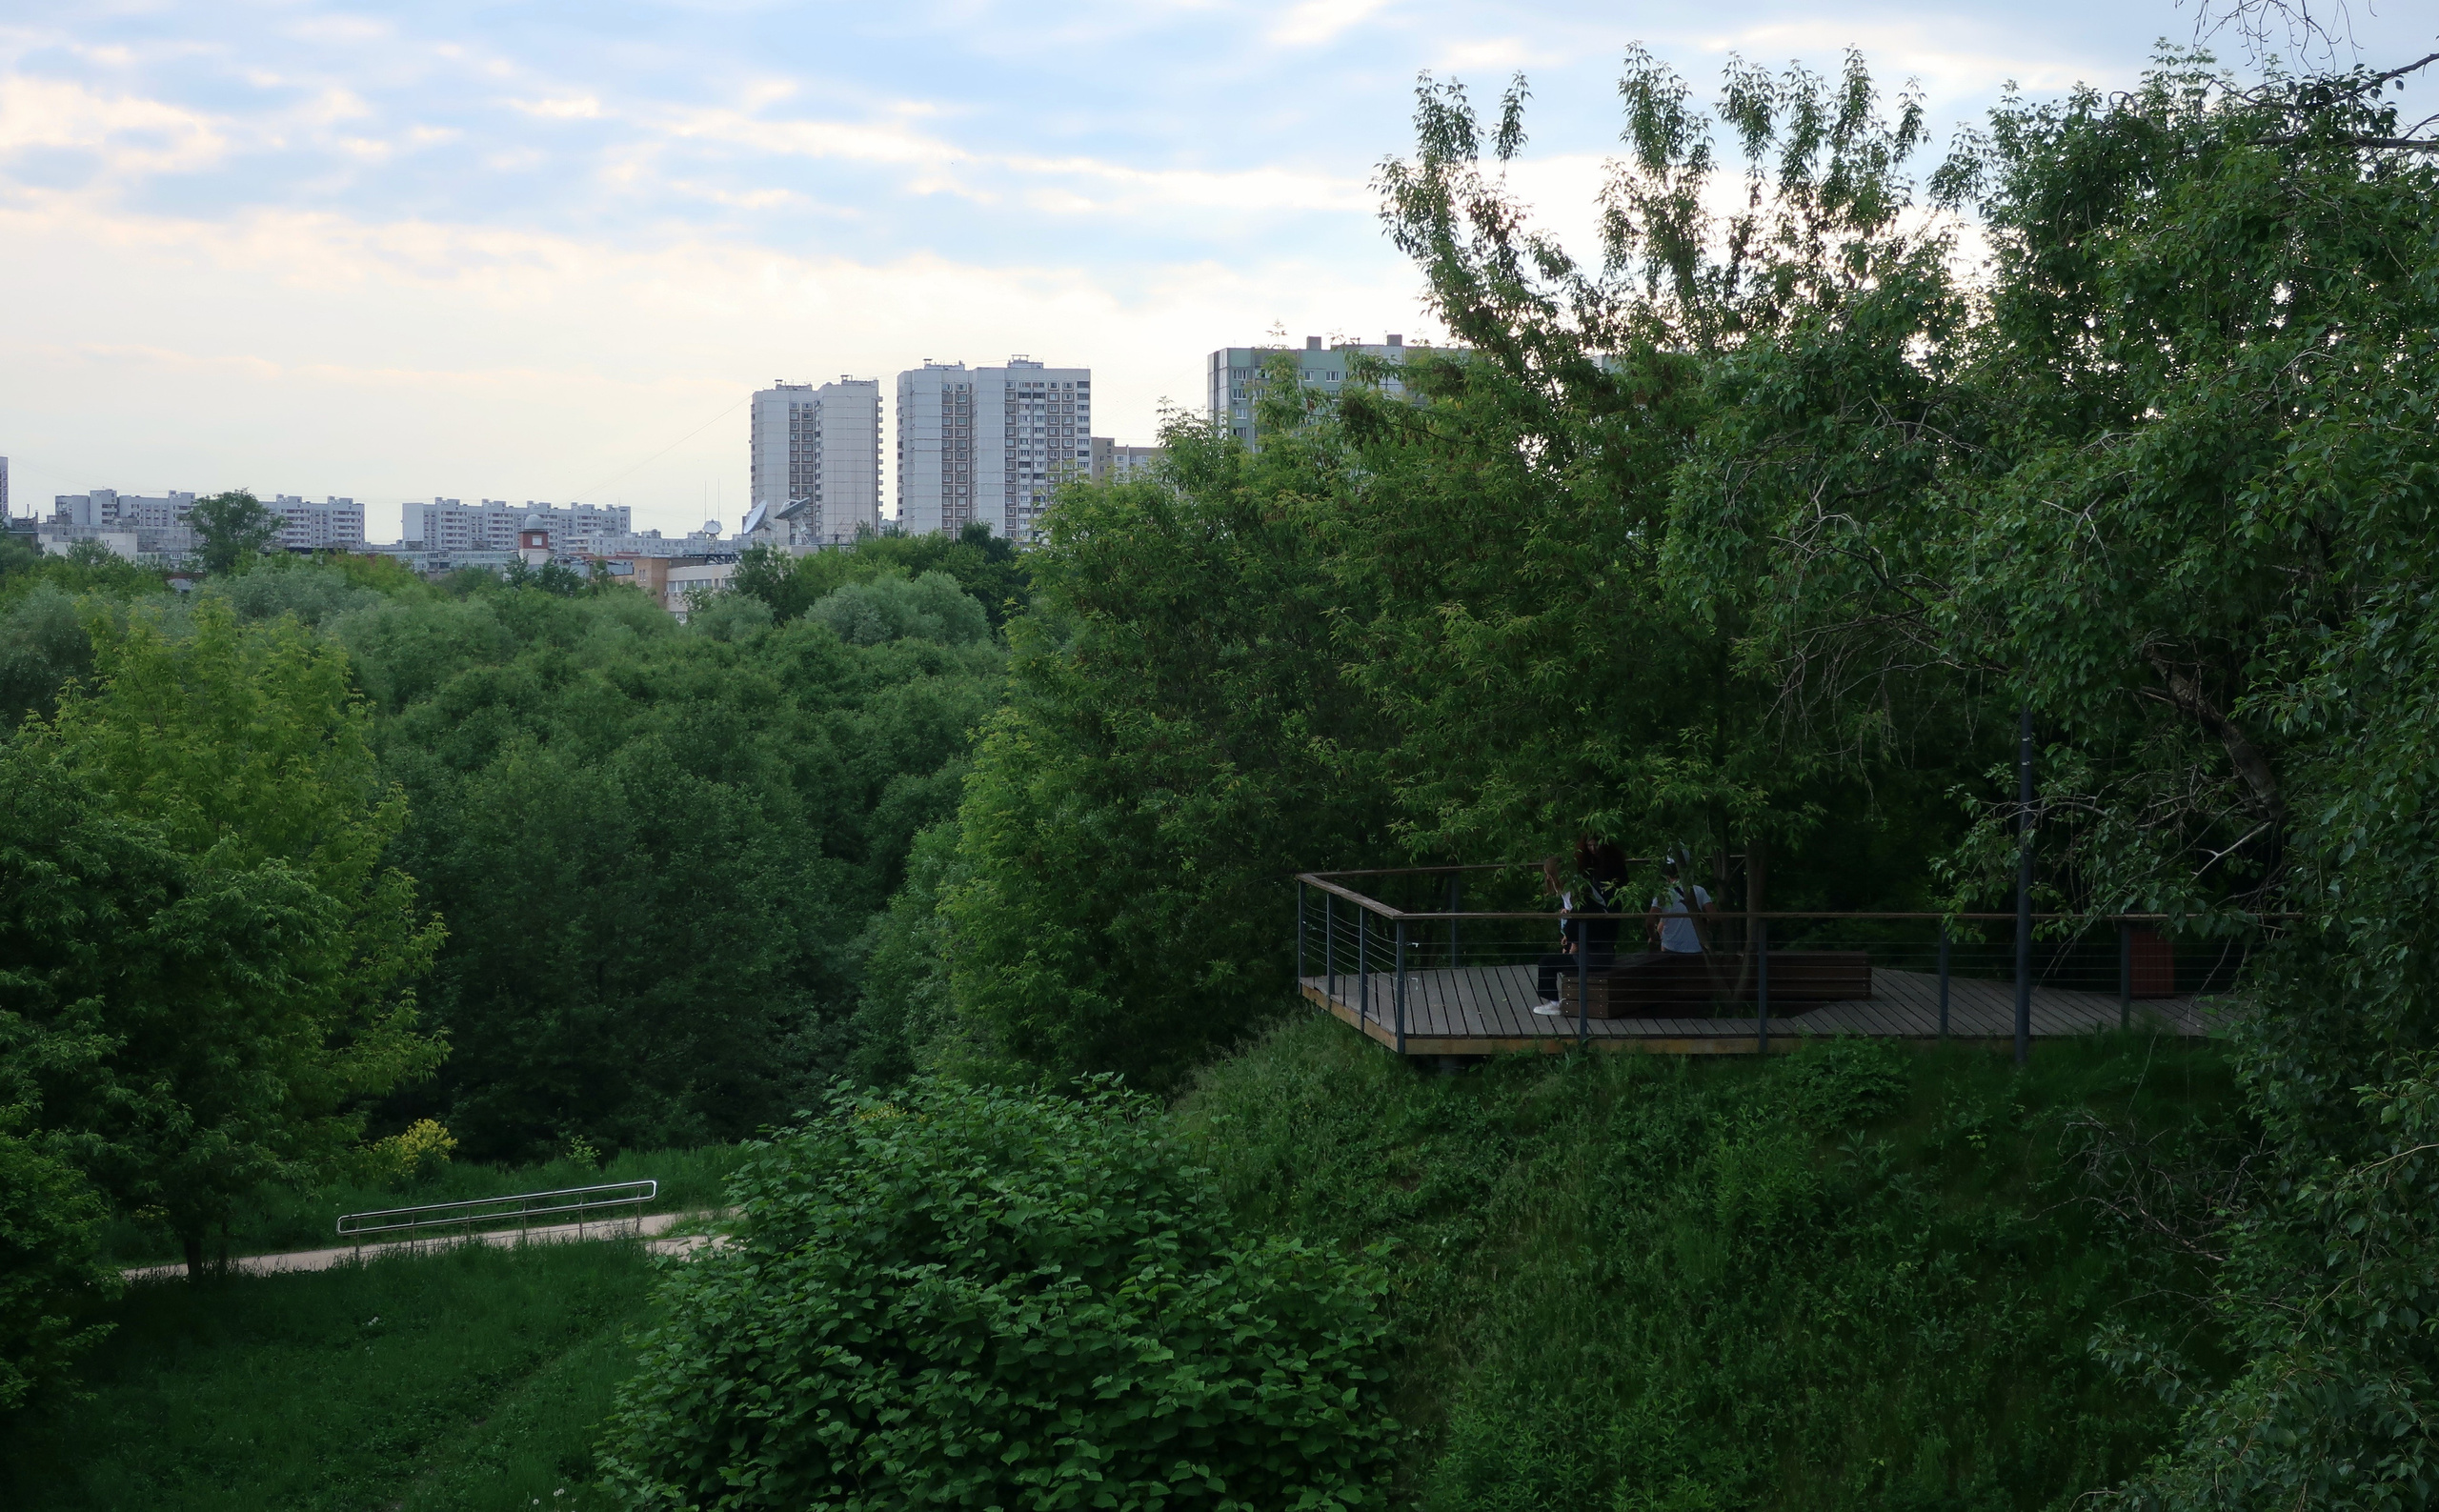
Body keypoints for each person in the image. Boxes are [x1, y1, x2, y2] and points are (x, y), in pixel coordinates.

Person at [1532, 839, 1626, 1016]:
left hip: (1592, 957)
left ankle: (1554, 1003)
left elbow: (1579, 921)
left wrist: (1573, 945)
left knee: (1546, 962)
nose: (1547, 879)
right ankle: (1557, 1000)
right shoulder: (1583, 890)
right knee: (1556, 960)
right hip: (1602, 953)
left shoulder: (1580, 897)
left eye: (1548, 875)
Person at [1647, 854, 1716, 955]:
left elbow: (1649, 922)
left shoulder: (1663, 895)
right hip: (1697, 947)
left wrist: (1653, 937)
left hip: (1671, 948)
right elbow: (1714, 917)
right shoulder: (1699, 891)